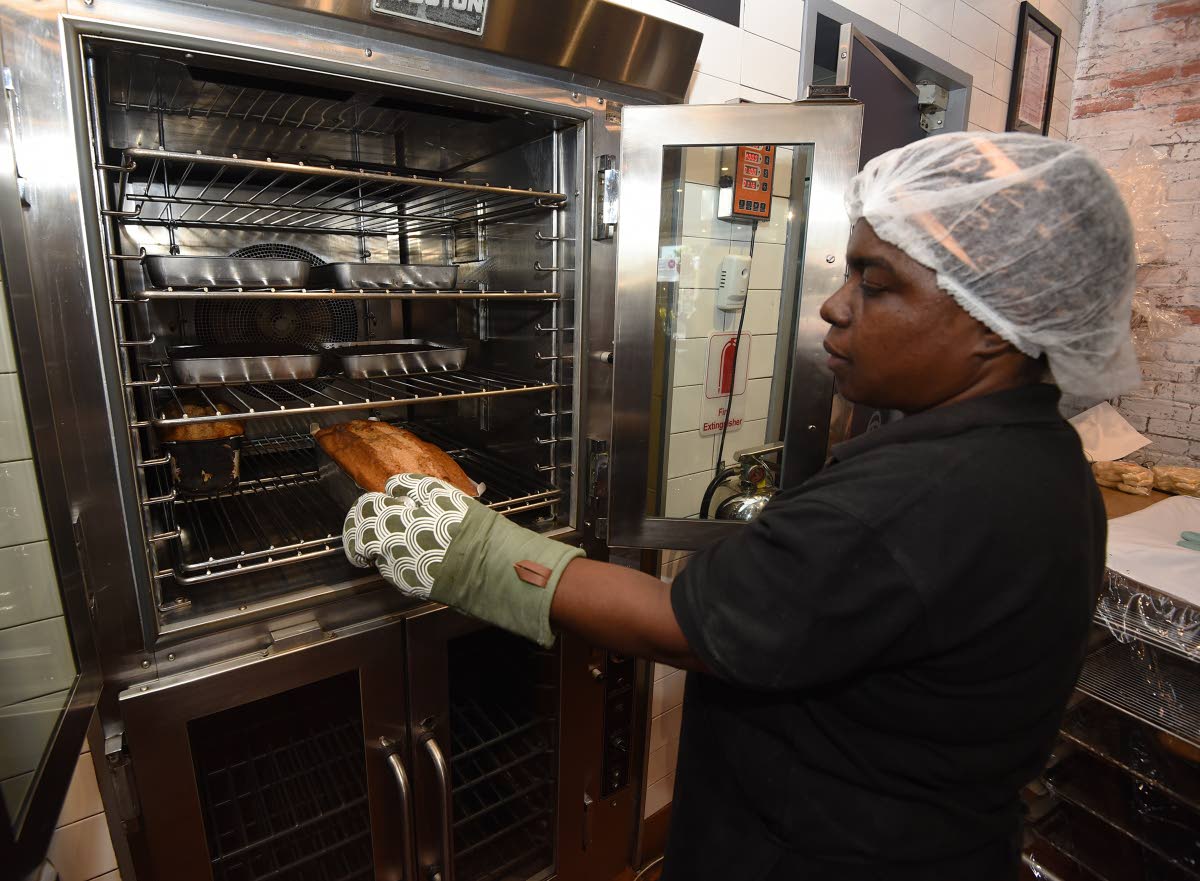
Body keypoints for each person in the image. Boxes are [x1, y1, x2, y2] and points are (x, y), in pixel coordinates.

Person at [342, 132, 1138, 880]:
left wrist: (471, 549)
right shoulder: (1042, 455)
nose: (834, 305)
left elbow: (686, 628)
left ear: (992, 326)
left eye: (877, 282)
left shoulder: (931, 492)